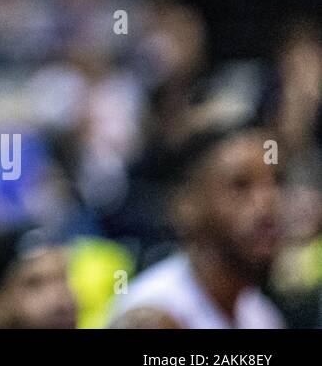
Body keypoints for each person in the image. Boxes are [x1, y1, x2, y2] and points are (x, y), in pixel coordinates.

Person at [108, 124, 285, 328]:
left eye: (277, 182)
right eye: (241, 185)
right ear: (187, 205)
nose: (267, 203)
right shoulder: (149, 312)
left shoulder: (260, 314)